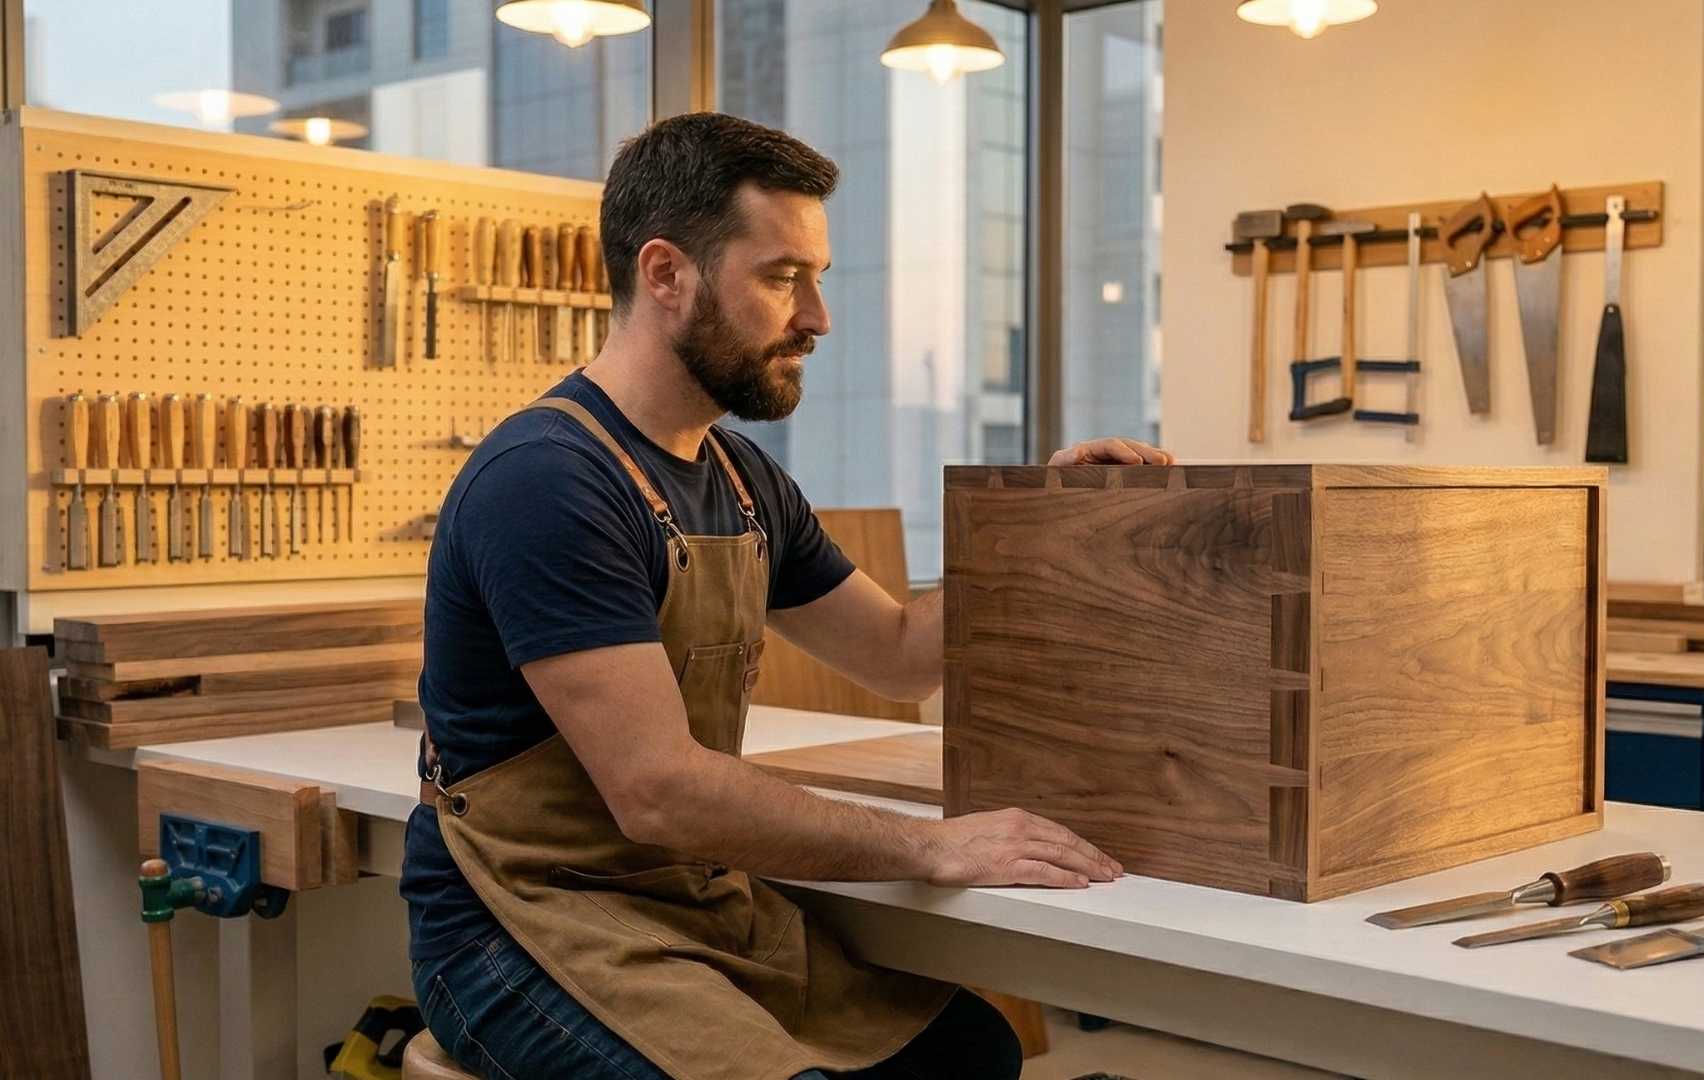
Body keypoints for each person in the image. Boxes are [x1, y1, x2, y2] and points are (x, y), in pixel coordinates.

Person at [402, 111, 1174, 1080]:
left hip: (690, 906)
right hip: (520, 926)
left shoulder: (738, 479)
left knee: (970, 1051)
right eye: (781, 278)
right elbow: (657, 791)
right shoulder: (549, 479)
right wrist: (927, 848)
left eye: (817, 279)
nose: (817, 318)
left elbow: (896, 654)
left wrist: (1044, 526)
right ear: (666, 275)